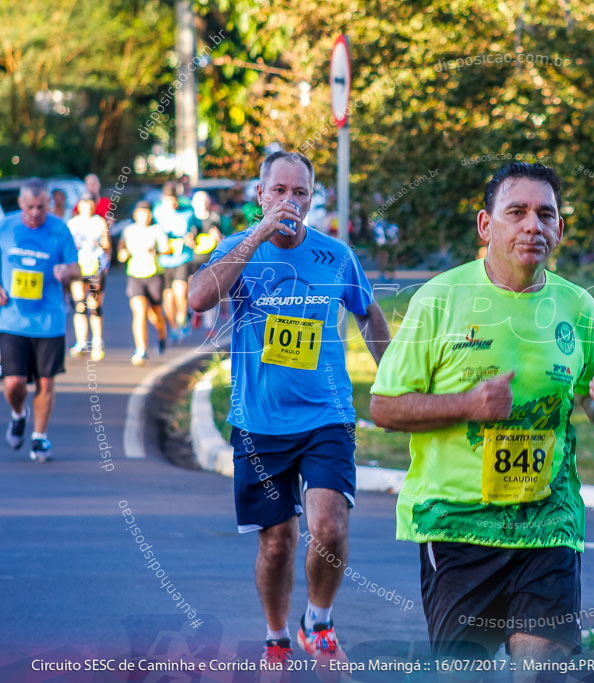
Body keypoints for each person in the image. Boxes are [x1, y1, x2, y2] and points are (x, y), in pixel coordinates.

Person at [369, 162, 594, 664]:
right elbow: (384, 407)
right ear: (486, 225)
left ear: (559, 228)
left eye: (545, 214)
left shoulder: (577, 308)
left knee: (545, 671)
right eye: (517, 212)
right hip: (456, 528)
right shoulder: (440, 300)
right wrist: (469, 404)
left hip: (548, 523)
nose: (533, 225)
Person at [189, 151, 391, 668]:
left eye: (300, 192)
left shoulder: (335, 256)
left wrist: (391, 378)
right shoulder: (238, 248)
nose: (290, 201)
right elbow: (198, 298)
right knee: (277, 543)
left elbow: (368, 313)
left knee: (329, 526)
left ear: (312, 199)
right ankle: (277, 636)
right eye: (279, 191)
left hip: (327, 414)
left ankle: (318, 622)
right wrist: (255, 237)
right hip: (259, 420)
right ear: (260, 195)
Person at [0, 179, 80, 462]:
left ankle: (40, 438)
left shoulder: (59, 228)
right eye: (30, 207)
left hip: (49, 321)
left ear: (48, 203)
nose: (35, 213)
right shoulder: (6, 227)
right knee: (14, 384)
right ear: (20, 204)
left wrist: (66, 271)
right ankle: (19, 414)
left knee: (46, 382)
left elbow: (77, 267)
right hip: (12, 320)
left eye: (41, 207)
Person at [118, 201, 171, 366]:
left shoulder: (157, 230)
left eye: (147, 213)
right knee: (139, 312)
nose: (144, 216)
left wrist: (155, 250)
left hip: (154, 275)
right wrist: (123, 253)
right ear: (135, 215)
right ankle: (141, 350)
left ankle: (162, 336)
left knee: (155, 315)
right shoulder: (129, 230)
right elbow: (121, 250)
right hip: (135, 274)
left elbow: (167, 249)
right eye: (141, 213)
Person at [66, 194, 111, 360]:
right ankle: (81, 342)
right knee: (79, 305)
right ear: (79, 205)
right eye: (84, 203)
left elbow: (107, 245)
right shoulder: (73, 223)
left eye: (90, 203)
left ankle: (97, 342)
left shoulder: (99, 222)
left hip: (95, 268)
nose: (87, 206)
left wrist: (104, 262)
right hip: (78, 268)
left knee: (94, 305)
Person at [154, 181, 199, 341]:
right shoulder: (157, 212)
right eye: (168, 200)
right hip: (164, 259)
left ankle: (182, 317)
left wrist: (191, 237)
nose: (172, 203)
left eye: (174, 200)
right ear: (163, 199)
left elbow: (196, 229)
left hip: (183, 257)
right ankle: (173, 327)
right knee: (168, 296)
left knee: (180, 289)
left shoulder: (187, 211)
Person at [190, 191, 228, 335]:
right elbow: (187, 240)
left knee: (210, 291)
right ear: (194, 203)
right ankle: (195, 310)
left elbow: (224, 239)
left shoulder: (215, 218)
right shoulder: (191, 219)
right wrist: (189, 240)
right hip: (195, 259)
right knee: (195, 289)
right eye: (199, 201)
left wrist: (218, 237)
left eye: (204, 200)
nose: (202, 204)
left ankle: (209, 325)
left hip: (212, 258)